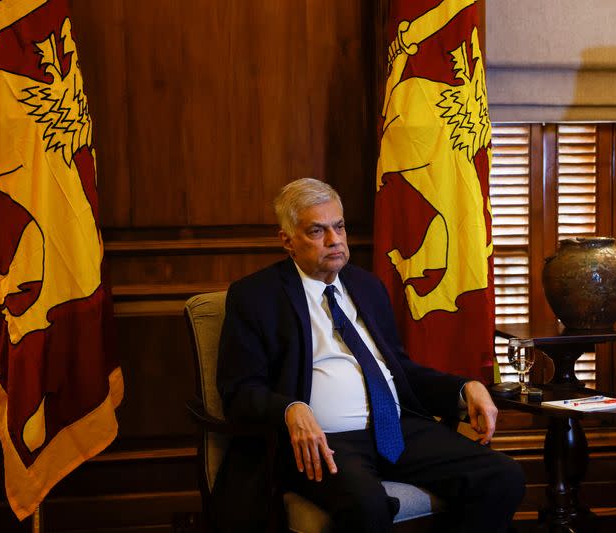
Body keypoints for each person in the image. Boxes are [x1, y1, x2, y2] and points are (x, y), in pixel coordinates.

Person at [215, 178, 525, 532]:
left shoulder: (366, 286)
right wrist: (289, 408)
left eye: (339, 227)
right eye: (317, 231)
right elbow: (239, 392)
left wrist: (464, 387)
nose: (334, 241)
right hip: (325, 442)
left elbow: (401, 371)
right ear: (287, 240)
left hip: (395, 429)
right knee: (368, 506)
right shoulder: (256, 296)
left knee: (503, 476)